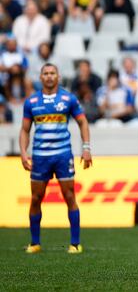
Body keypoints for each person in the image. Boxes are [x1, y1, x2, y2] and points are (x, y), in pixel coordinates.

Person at [19, 63, 92, 254]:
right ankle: (35, 243)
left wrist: (86, 148)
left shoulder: (68, 99)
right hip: (40, 157)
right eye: (46, 73)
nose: (49, 76)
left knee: (69, 196)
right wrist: (23, 152)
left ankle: (75, 243)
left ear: (58, 77)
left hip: (62, 155)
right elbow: (25, 130)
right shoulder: (31, 102)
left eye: (53, 73)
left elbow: (83, 122)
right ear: (41, 77)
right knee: (36, 198)